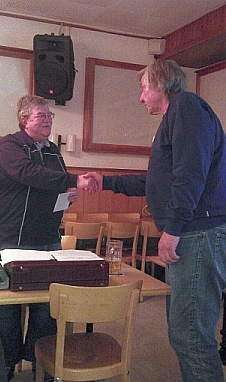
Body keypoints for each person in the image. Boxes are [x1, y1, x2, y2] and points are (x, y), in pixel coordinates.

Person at [84, 59, 226, 381]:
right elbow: (156, 181)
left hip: (197, 234)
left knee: (191, 337)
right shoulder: (176, 116)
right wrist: (106, 181)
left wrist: (173, 229)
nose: (140, 97)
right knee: (186, 334)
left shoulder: (186, 107)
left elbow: (191, 175)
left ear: (161, 84)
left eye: (143, 88)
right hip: (193, 234)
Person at [0, 95, 97, 382]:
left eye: (50, 116)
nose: (47, 120)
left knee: (47, 308)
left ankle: (41, 362)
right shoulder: (11, 145)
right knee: (7, 310)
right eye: (41, 116)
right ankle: (5, 365)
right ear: (24, 120)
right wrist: (73, 181)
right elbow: (28, 174)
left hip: (47, 240)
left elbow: (50, 186)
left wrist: (67, 198)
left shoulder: (53, 152)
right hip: (9, 238)